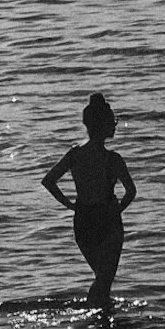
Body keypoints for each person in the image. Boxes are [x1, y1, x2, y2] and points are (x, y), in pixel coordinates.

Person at [42, 93, 136, 309]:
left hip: (83, 219)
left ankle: (101, 321)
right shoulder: (113, 159)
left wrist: (71, 205)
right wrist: (117, 210)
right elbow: (130, 191)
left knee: (102, 278)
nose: (115, 126)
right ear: (103, 125)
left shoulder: (75, 154)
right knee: (104, 279)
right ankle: (97, 319)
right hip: (108, 220)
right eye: (112, 122)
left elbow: (49, 181)